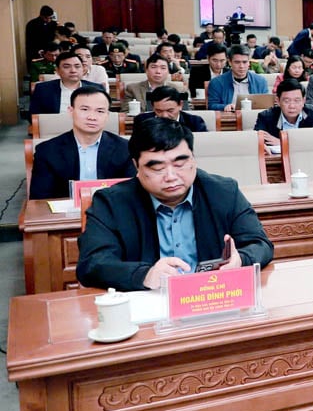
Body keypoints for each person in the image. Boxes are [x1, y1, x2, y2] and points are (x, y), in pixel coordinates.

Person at [76, 118, 273, 291]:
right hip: (147, 303)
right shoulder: (111, 203)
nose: (171, 177)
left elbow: (260, 244)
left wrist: (241, 260)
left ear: (193, 159)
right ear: (136, 166)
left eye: (179, 164)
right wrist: (145, 275)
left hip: (213, 296)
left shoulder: (223, 192)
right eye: (157, 168)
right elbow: (92, 264)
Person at [29, 87, 135, 200]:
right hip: (66, 214)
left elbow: (131, 192)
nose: (92, 117)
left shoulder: (125, 148)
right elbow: (39, 199)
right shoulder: (47, 151)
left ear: (107, 115)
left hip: (112, 212)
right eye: (84, 109)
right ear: (70, 111)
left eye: (100, 111)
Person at [29, 51, 104, 115]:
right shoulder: (43, 89)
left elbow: (103, 114)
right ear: (57, 71)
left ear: (83, 69)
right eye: (66, 67)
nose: (73, 70)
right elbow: (34, 116)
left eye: (77, 66)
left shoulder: (97, 89)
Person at [255, 78, 313, 146]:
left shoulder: (312, 112)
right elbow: (256, 142)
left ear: (303, 101)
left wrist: (283, 143)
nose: (292, 106)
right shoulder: (265, 117)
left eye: (297, 100)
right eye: (287, 101)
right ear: (278, 101)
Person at [207, 45, 269, 111]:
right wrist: (225, 107)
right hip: (229, 118)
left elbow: (266, 105)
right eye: (237, 62)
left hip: (254, 118)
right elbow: (211, 105)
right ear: (230, 62)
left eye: (245, 62)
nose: (241, 66)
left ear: (249, 63)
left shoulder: (261, 81)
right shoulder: (216, 82)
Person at [134, 86, 208, 132]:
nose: (164, 115)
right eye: (159, 111)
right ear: (153, 107)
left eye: (170, 110)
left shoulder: (195, 122)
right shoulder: (142, 121)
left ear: (180, 105)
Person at [25, 5, 58, 69]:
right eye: (47, 18)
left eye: (50, 18)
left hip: (50, 52)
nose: (49, 20)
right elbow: (30, 42)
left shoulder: (53, 24)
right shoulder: (32, 24)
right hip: (36, 53)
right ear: (41, 16)